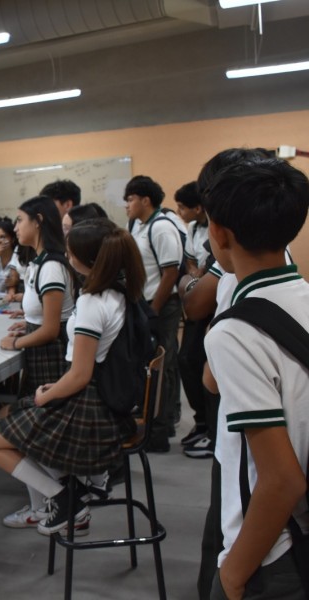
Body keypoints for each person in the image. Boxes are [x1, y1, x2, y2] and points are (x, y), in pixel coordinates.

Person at [0, 218, 145, 536]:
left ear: (88, 260)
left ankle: (67, 500)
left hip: (91, 407)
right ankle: (71, 496)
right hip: (108, 400)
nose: (67, 259)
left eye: (70, 254)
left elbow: (80, 375)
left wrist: (46, 395)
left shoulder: (92, 303)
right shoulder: (119, 293)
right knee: (12, 414)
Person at [203, 158, 309, 600]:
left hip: (271, 551)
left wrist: (233, 572)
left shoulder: (235, 332)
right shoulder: (300, 295)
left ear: (220, 233)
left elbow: (282, 479)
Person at [125, 175, 183, 453]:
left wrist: (154, 310)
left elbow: (170, 272)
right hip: (146, 304)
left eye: (131, 199)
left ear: (145, 200)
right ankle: (161, 422)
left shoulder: (160, 227)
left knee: (163, 365)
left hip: (160, 305)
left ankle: (160, 431)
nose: (127, 205)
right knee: (155, 367)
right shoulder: (140, 225)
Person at [2, 196, 75, 398]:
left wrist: (16, 343)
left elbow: (51, 330)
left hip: (51, 359)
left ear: (38, 221)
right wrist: (28, 326)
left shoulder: (51, 267)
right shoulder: (39, 261)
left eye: (19, 220)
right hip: (40, 352)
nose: (15, 228)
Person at [173, 181, 214, 459]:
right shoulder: (193, 228)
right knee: (186, 360)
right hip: (196, 298)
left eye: (183, 207)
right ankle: (202, 423)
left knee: (206, 363)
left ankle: (213, 430)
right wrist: (194, 278)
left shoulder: (215, 227)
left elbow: (206, 268)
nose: (179, 211)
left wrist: (196, 277)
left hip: (212, 303)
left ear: (199, 207)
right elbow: (190, 265)